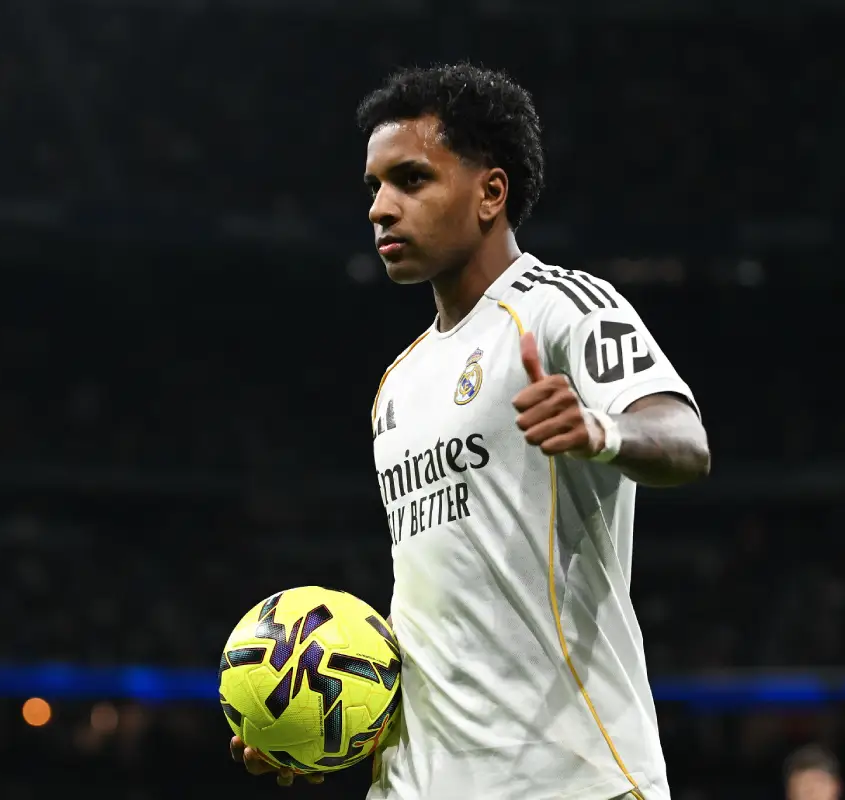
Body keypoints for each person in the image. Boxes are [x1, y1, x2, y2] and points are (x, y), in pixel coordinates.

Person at [232, 62, 710, 799]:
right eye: (374, 187)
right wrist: (318, 725)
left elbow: (682, 437)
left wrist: (603, 431)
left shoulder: (560, 308)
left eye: (411, 180)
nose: (380, 209)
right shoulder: (398, 383)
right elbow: (435, 609)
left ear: (491, 193)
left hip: (569, 778)